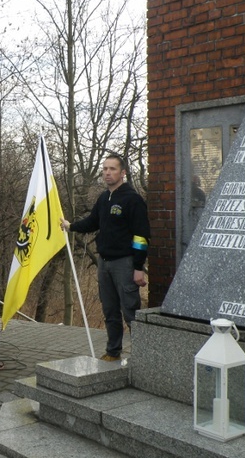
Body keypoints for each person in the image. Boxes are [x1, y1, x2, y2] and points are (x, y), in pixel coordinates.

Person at [61, 154, 150, 362]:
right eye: (105, 169)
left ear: (123, 173)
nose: (107, 173)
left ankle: (144, 358)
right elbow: (92, 222)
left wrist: (138, 266)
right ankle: (113, 351)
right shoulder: (103, 198)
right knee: (110, 310)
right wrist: (70, 226)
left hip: (125, 264)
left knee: (130, 311)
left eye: (112, 169)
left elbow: (141, 237)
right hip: (104, 263)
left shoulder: (132, 199)